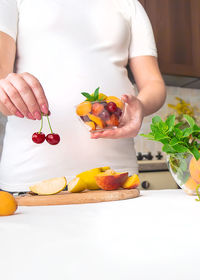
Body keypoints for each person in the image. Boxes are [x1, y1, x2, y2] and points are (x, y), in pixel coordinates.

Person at [0, 0, 166, 192]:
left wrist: (141, 106)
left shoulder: (129, 4)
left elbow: (154, 83)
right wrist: (7, 93)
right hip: (29, 175)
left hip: (114, 175)